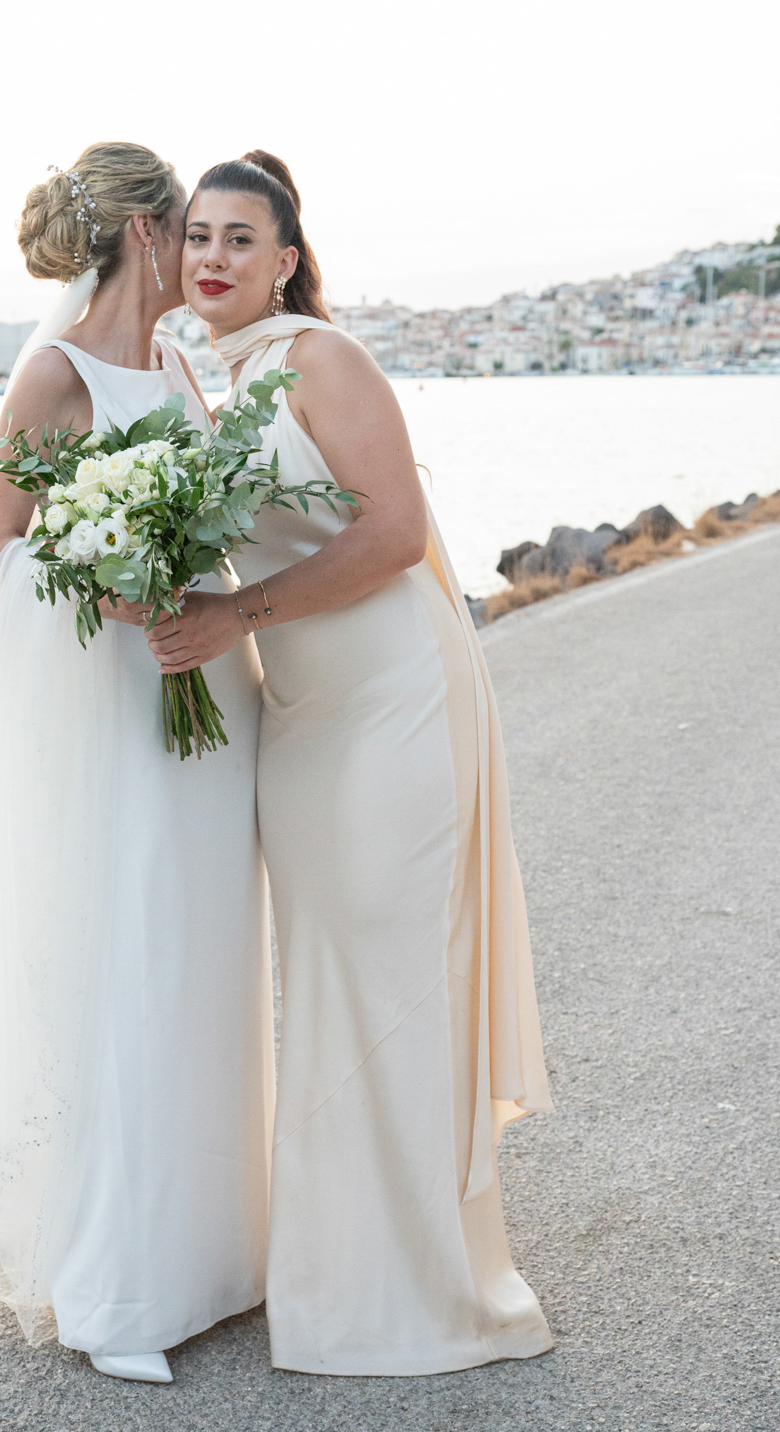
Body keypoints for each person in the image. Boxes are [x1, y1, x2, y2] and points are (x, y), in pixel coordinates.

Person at [147, 150, 554, 1376]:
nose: (213, 256)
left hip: (390, 696)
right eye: (198, 235)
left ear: (285, 261)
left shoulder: (322, 358)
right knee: (327, 975)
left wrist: (234, 616)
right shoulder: (211, 375)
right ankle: (334, 1271)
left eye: (240, 239)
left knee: (390, 976)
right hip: (302, 711)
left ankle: (418, 1289)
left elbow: (394, 534)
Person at [0, 143, 274, 1384]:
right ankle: (121, 1283)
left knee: (202, 951)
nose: (202, 252)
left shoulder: (179, 363)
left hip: (201, 693)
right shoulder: (54, 373)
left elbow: (221, 522)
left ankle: (212, 1254)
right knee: (132, 953)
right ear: (146, 234)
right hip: (115, 705)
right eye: (190, 230)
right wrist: (104, 568)